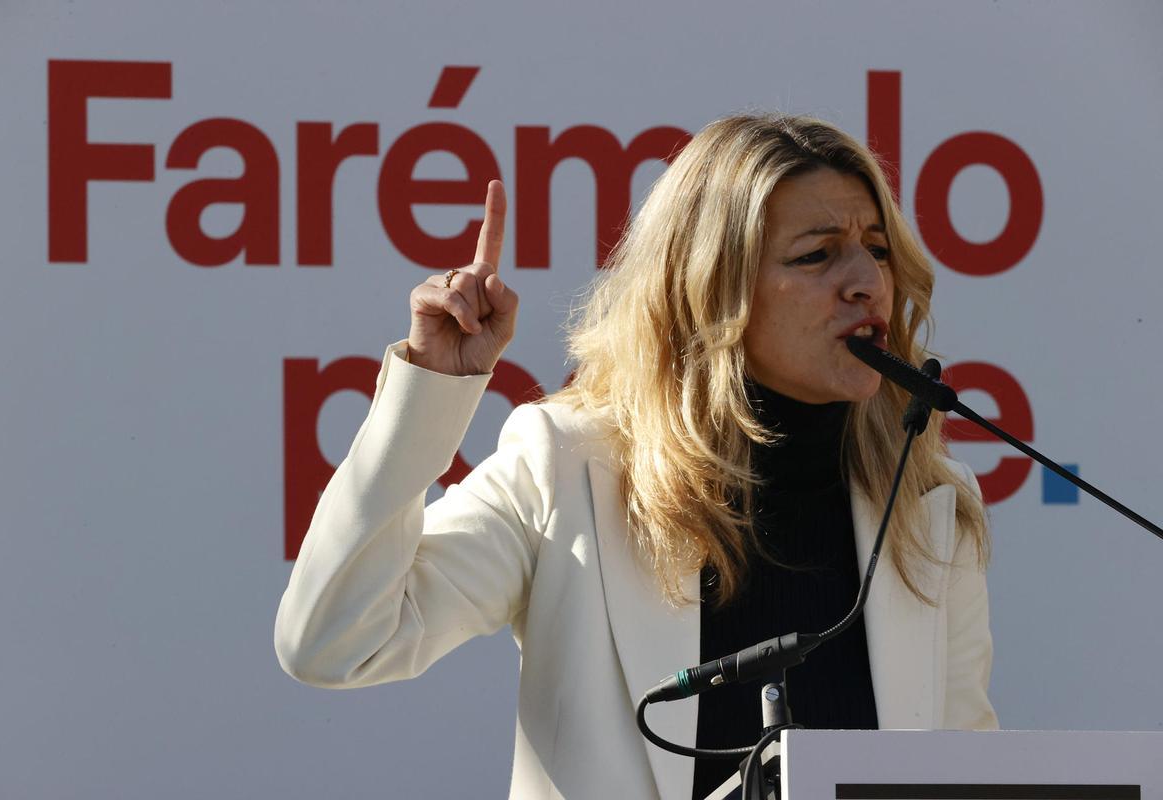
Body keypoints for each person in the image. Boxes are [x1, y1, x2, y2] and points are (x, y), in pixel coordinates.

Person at [274, 113, 997, 800]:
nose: (867, 282)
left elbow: (965, 775)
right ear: (712, 290)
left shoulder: (930, 510)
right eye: (817, 254)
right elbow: (335, 643)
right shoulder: (566, 467)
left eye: (876, 248)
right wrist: (429, 394)